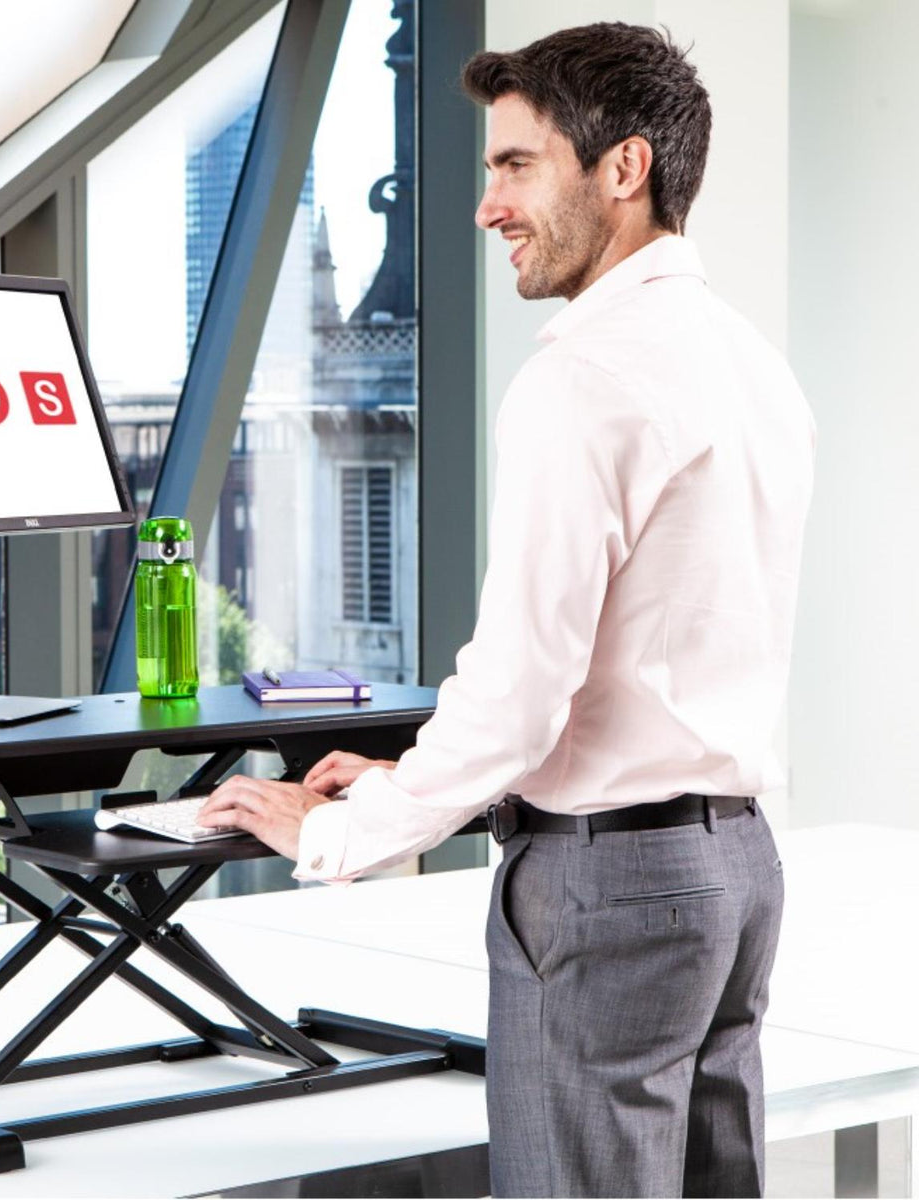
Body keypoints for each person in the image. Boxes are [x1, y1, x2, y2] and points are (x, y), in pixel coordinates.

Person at [199, 21, 815, 1199]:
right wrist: (399, 776)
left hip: (610, 886)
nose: (487, 206)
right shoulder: (751, 363)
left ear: (622, 169)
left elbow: (526, 694)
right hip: (731, 868)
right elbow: (643, 658)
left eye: (516, 165)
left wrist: (339, 833)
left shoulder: (583, 376)